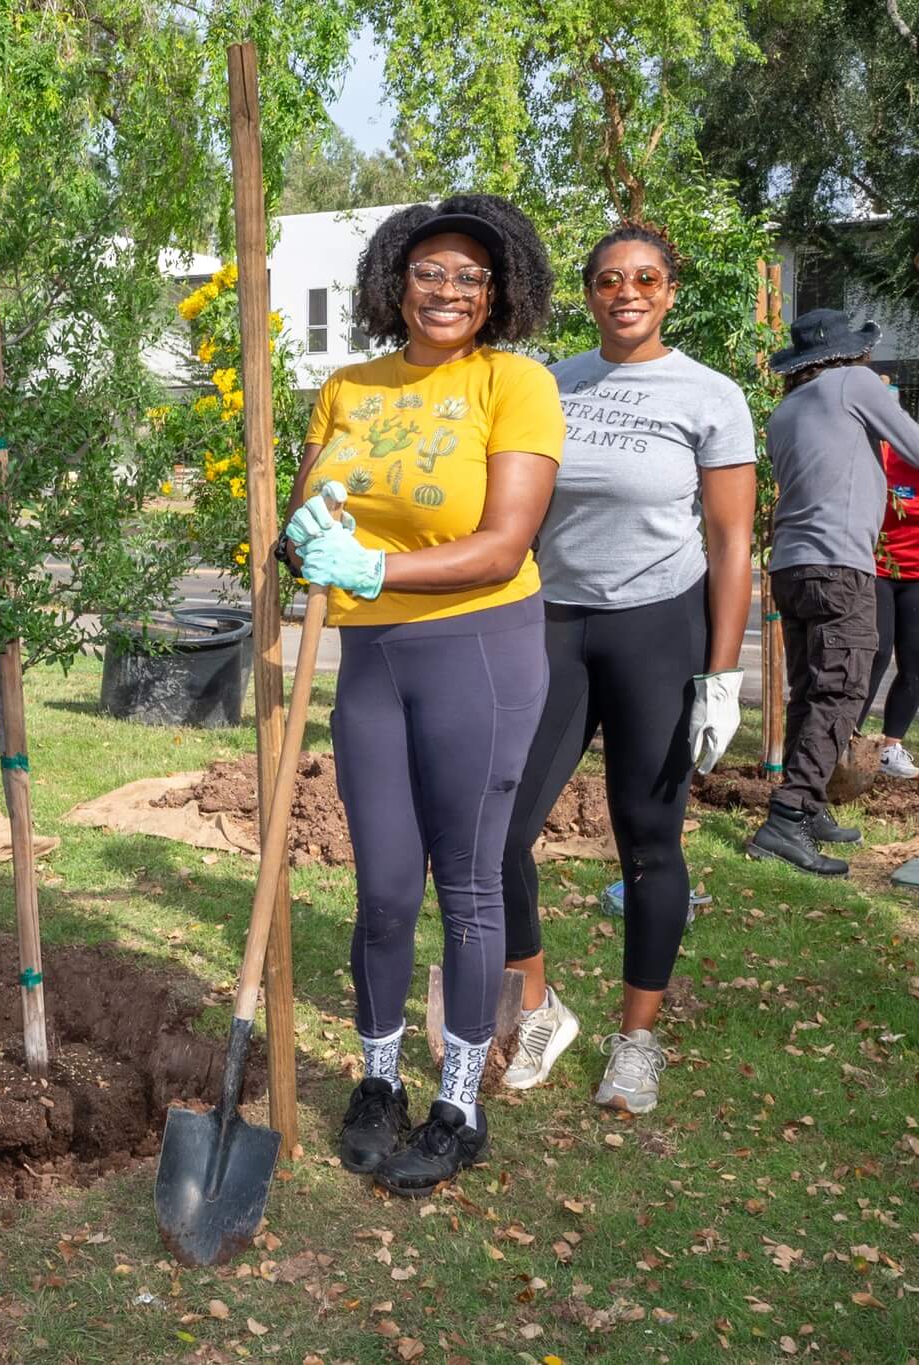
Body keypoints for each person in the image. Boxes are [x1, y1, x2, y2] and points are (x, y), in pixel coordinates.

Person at [280, 194, 563, 1194]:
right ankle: (376, 1078)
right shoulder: (347, 386)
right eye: (429, 272)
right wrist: (300, 538)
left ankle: (457, 1101)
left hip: (475, 650)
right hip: (369, 661)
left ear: (496, 297)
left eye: (468, 278)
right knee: (384, 884)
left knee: (467, 881)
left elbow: (503, 542)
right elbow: (307, 516)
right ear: (394, 282)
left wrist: (371, 570)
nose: (446, 291)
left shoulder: (512, 383)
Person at [493, 223, 756, 1115]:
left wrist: (722, 673)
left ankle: (636, 1040)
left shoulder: (710, 395)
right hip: (555, 623)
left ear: (670, 290)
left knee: (649, 840)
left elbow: (730, 541)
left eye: (645, 278)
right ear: (590, 293)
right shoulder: (549, 384)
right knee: (497, 834)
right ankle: (536, 1006)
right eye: (609, 279)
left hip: (658, 627)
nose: (627, 292)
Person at [752, 310, 919, 874]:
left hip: (791, 567)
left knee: (810, 690)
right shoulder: (856, 383)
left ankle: (811, 803)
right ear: (850, 354)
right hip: (839, 564)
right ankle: (787, 816)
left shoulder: (786, 410)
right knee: (843, 691)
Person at [867, 377, 919, 780]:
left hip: (917, 577)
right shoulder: (881, 456)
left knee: (915, 663)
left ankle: (891, 748)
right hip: (878, 569)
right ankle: (846, 737)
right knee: (876, 653)